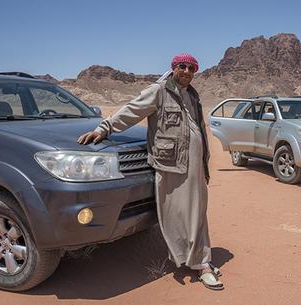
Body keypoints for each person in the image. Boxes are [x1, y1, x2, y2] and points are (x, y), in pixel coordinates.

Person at [77, 53, 224, 290]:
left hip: (195, 167)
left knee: (198, 213)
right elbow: (131, 110)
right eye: (183, 66)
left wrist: (205, 166)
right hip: (172, 165)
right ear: (174, 68)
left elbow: (200, 133)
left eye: (192, 68)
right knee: (176, 215)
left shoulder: (193, 95)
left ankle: (200, 260)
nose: (187, 71)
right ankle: (198, 262)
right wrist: (104, 128)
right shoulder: (159, 91)